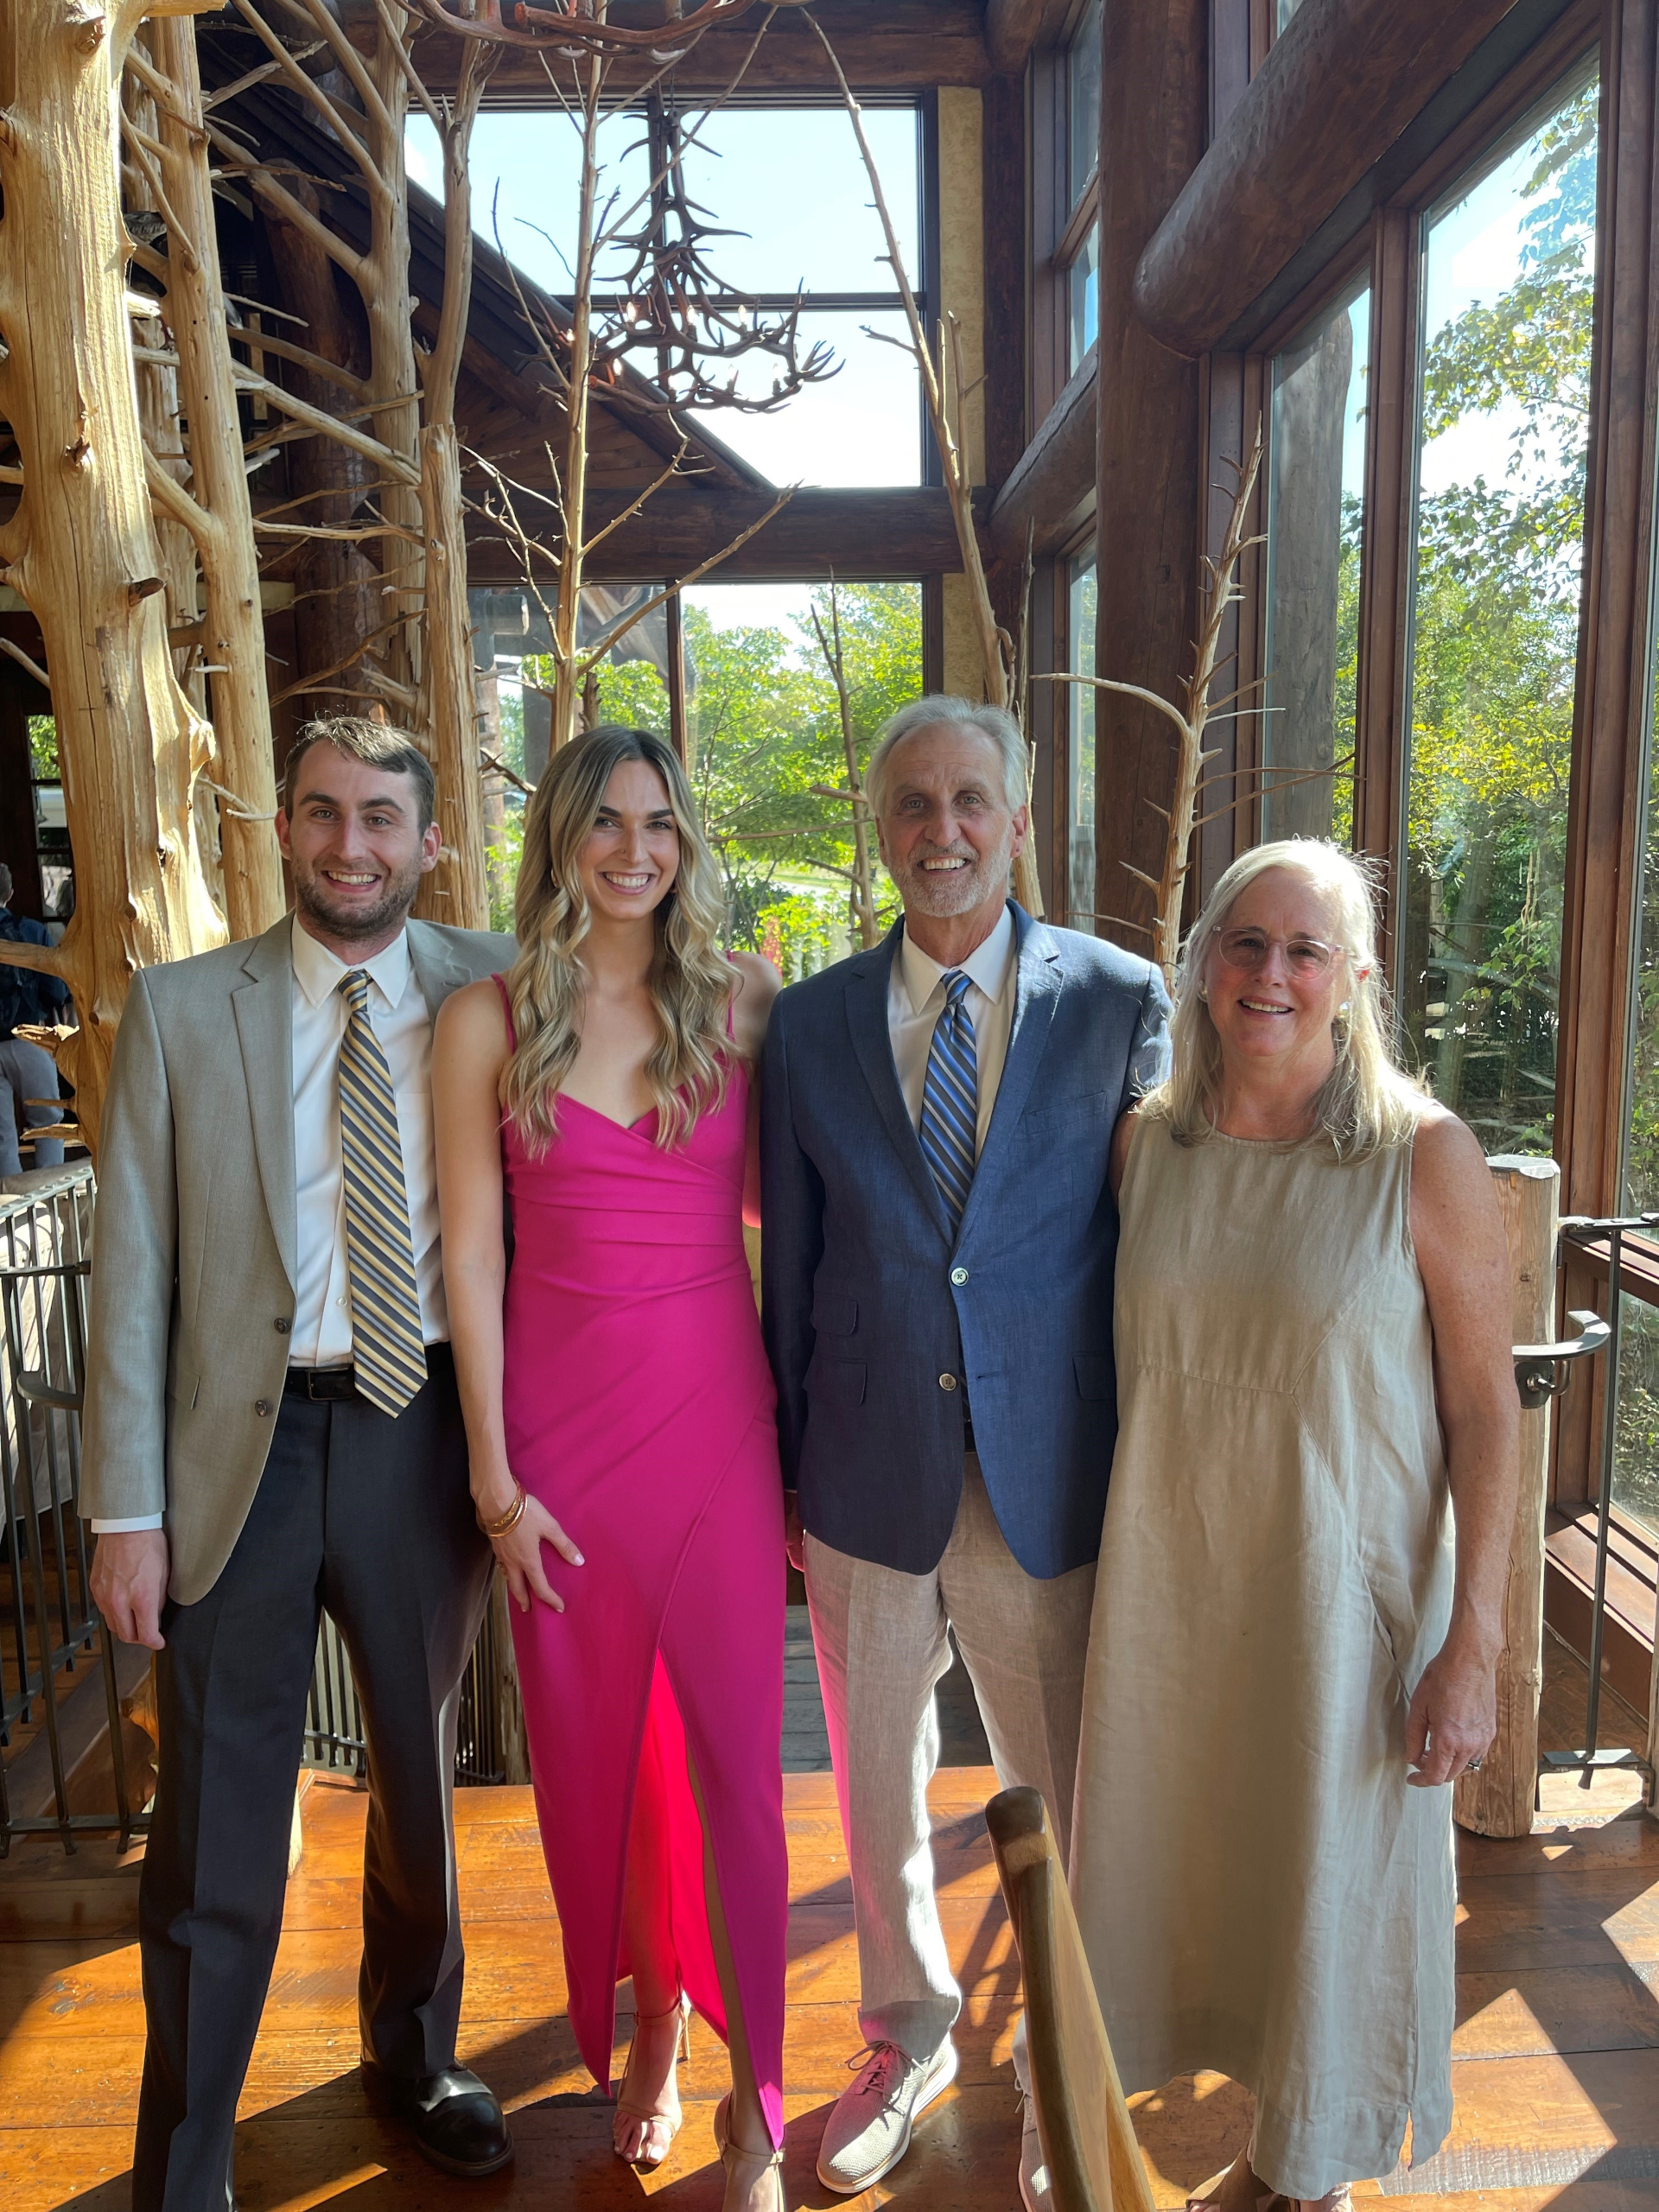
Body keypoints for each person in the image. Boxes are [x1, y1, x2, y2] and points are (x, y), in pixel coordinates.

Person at [81, 717, 515, 2209]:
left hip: (420, 1436)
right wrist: (124, 1510)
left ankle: (415, 2052)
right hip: (236, 1461)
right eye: (325, 814)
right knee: (213, 1813)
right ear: (283, 827)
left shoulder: (500, 988)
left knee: (417, 1778)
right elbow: (131, 1267)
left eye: (383, 818)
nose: (351, 846)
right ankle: (187, 2157)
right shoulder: (187, 1006)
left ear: (430, 841)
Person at [760, 696, 1170, 2202]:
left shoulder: (1122, 1002)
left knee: (1066, 1788)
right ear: (883, 826)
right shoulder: (806, 1026)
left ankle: (1072, 2061)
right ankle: (906, 2032)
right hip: (867, 1470)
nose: (943, 830)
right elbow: (790, 1275)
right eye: (914, 804)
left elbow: (1156, 1246)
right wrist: (791, 1481)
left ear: (1018, 815)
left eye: (970, 801)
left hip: (1046, 1470)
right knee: (874, 1783)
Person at [1071, 838, 1517, 2212]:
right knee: (1203, 1864)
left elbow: (1488, 1413)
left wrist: (1477, 1644)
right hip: (1173, 1596)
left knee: (1328, 1880)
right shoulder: (1152, 1142)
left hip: (1347, 1602)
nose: (1271, 974)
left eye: (1305, 951)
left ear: (1356, 979)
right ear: (1204, 964)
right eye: (1245, 944)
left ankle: (1305, 2165)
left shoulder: (1421, 1157)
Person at [432, 724, 790, 2212]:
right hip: (559, 1450)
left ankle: (759, 2091)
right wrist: (493, 1481)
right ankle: (654, 2025)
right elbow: (466, 1255)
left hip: (717, 1425)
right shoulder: (485, 1021)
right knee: (599, 1768)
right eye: (607, 824)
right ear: (563, 841)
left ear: (684, 842)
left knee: (740, 1771)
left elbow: (802, 1225)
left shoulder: (746, 1003)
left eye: (660, 824)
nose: (637, 850)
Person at [0, 859, 72, 1177]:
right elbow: (56, 990)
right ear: (10, 893)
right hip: (30, 1037)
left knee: (2, 1133)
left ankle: (11, 1209)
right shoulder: (31, 930)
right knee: (47, 1123)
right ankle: (49, 1194)